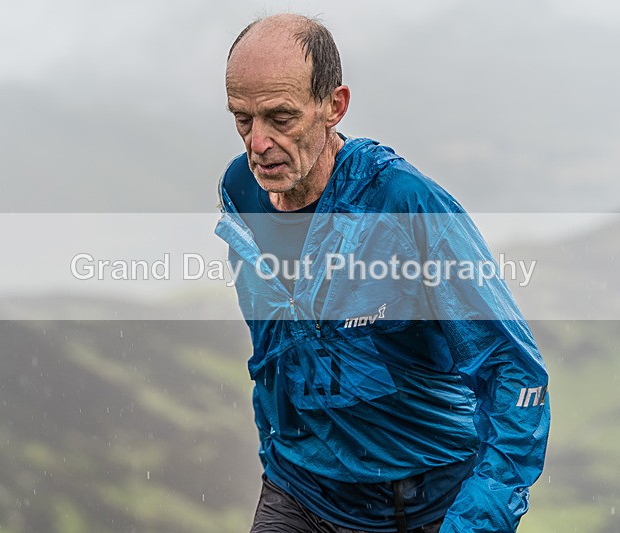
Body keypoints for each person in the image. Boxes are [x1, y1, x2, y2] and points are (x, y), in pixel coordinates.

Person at [215, 13, 550, 533]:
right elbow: (275, 350)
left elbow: (514, 373)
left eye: (280, 118)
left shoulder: (405, 206)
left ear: (334, 106)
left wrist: (474, 522)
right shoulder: (240, 193)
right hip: (299, 492)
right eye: (242, 118)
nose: (258, 144)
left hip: (426, 506)